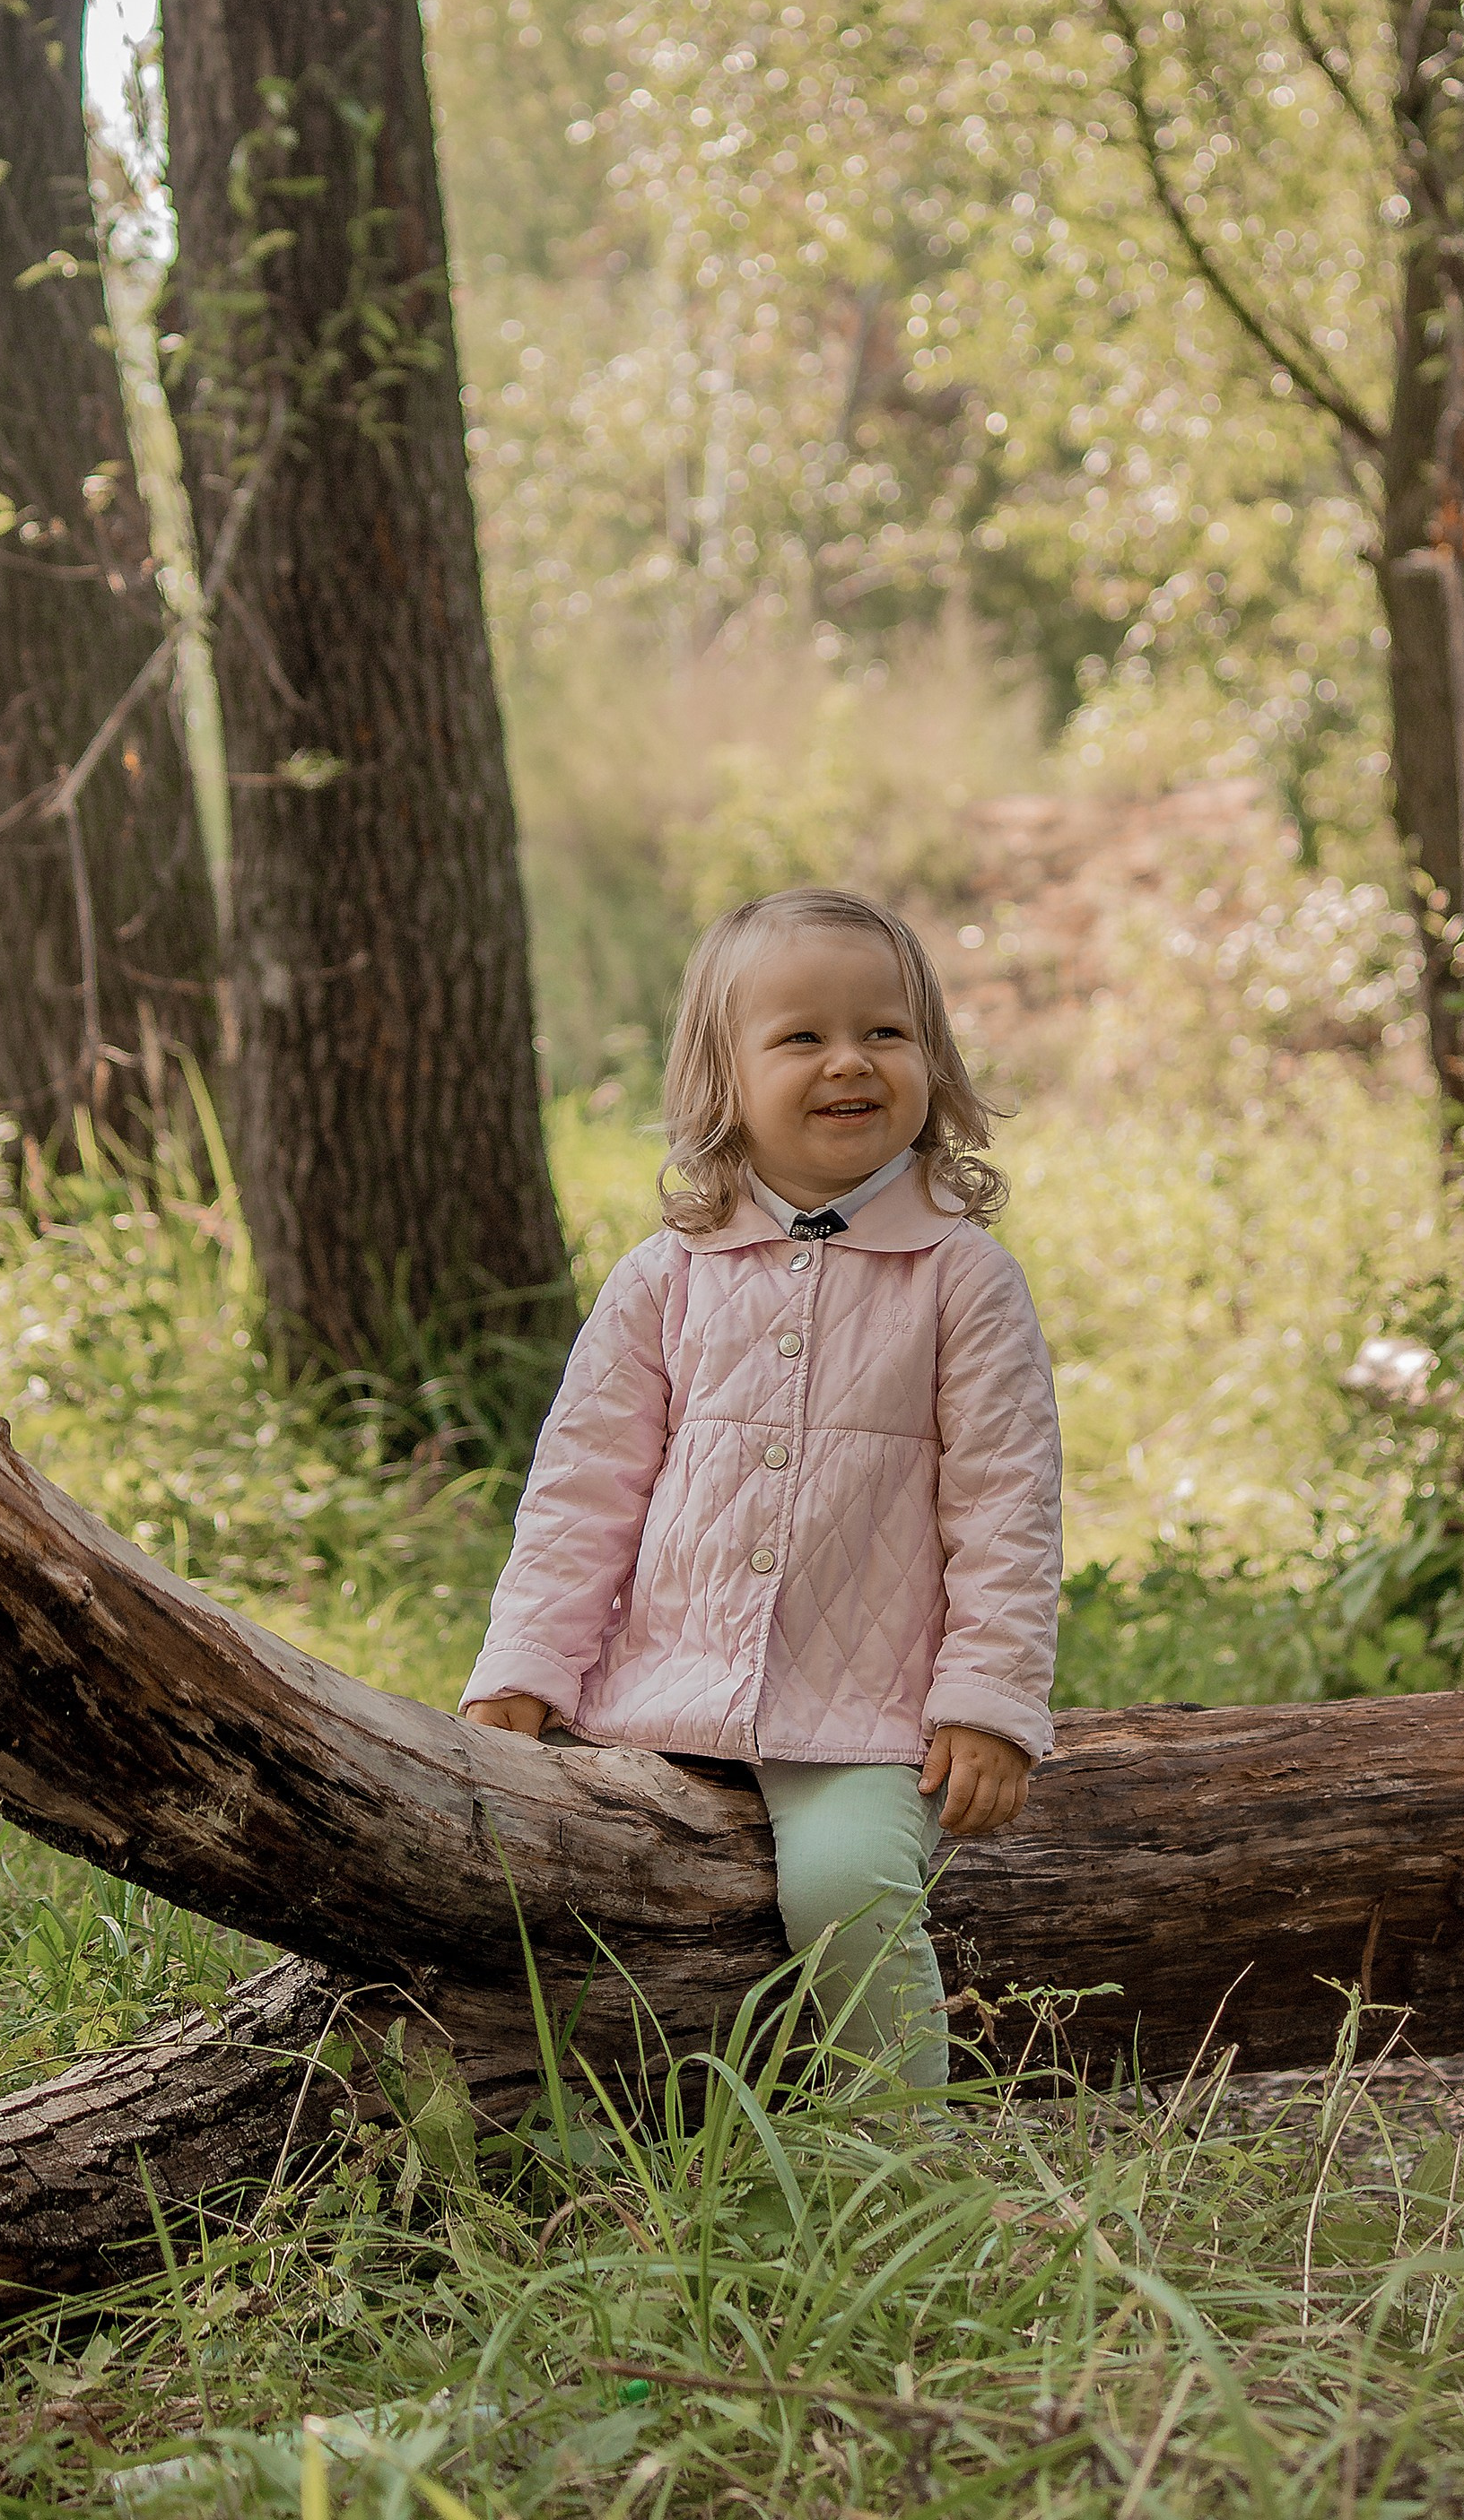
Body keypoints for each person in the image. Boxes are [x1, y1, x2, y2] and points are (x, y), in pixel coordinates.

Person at [462, 884, 1062, 2088]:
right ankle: (591, 2137)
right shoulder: (664, 1278)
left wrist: (990, 1701)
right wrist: (524, 1671)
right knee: (544, 1882)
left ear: (934, 1062)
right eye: (802, 1038)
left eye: (886, 1033)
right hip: (655, 1692)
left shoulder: (963, 1281)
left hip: (861, 1709)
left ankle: (903, 2174)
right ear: (721, 1080)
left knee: (845, 1885)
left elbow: (1008, 1507)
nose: (851, 1061)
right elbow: (584, 1491)